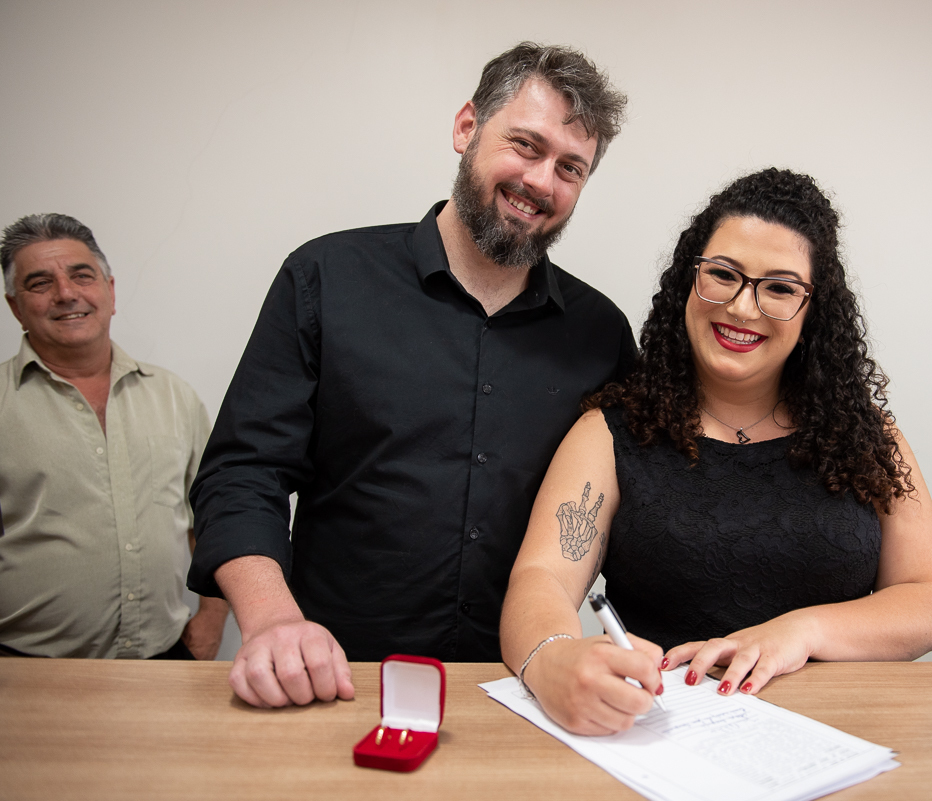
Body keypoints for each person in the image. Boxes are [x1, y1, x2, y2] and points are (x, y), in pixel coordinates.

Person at [187, 42, 634, 707]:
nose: (542, 182)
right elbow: (242, 473)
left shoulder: (602, 334)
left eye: (571, 167)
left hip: (521, 692)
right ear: (466, 127)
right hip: (337, 680)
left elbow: (625, 510)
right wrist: (274, 621)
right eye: (526, 146)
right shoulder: (325, 279)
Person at [499, 168, 932, 735]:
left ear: (813, 311)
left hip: (841, 735)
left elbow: (926, 605)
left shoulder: (868, 436)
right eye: (723, 274)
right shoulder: (609, 433)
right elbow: (541, 578)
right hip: (665, 738)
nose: (742, 307)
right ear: (690, 280)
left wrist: (799, 632)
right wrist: (553, 659)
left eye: (780, 288)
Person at [0, 213, 227, 659]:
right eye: (40, 283)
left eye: (82, 276)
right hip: (23, 666)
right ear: (15, 308)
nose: (66, 293)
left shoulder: (173, 396)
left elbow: (214, 517)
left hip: (164, 655)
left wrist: (212, 621)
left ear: (110, 290)